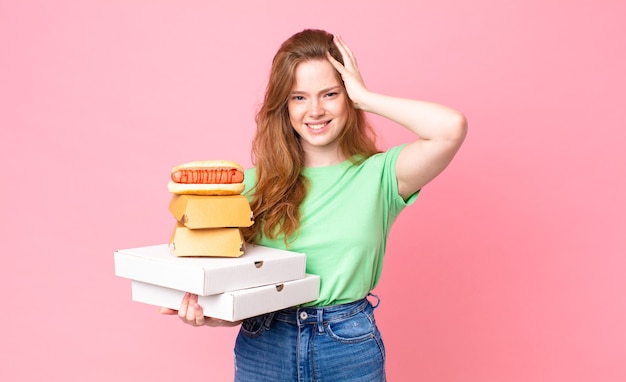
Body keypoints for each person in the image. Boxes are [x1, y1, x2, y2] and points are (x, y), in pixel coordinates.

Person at [159, 29, 467, 381]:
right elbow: (239, 277)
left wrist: (364, 97)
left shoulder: (380, 175)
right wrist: (216, 311)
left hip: (347, 346)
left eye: (330, 94)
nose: (316, 110)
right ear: (284, 105)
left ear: (347, 95)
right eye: (299, 97)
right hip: (265, 344)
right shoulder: (251, 184)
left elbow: (450, 128)